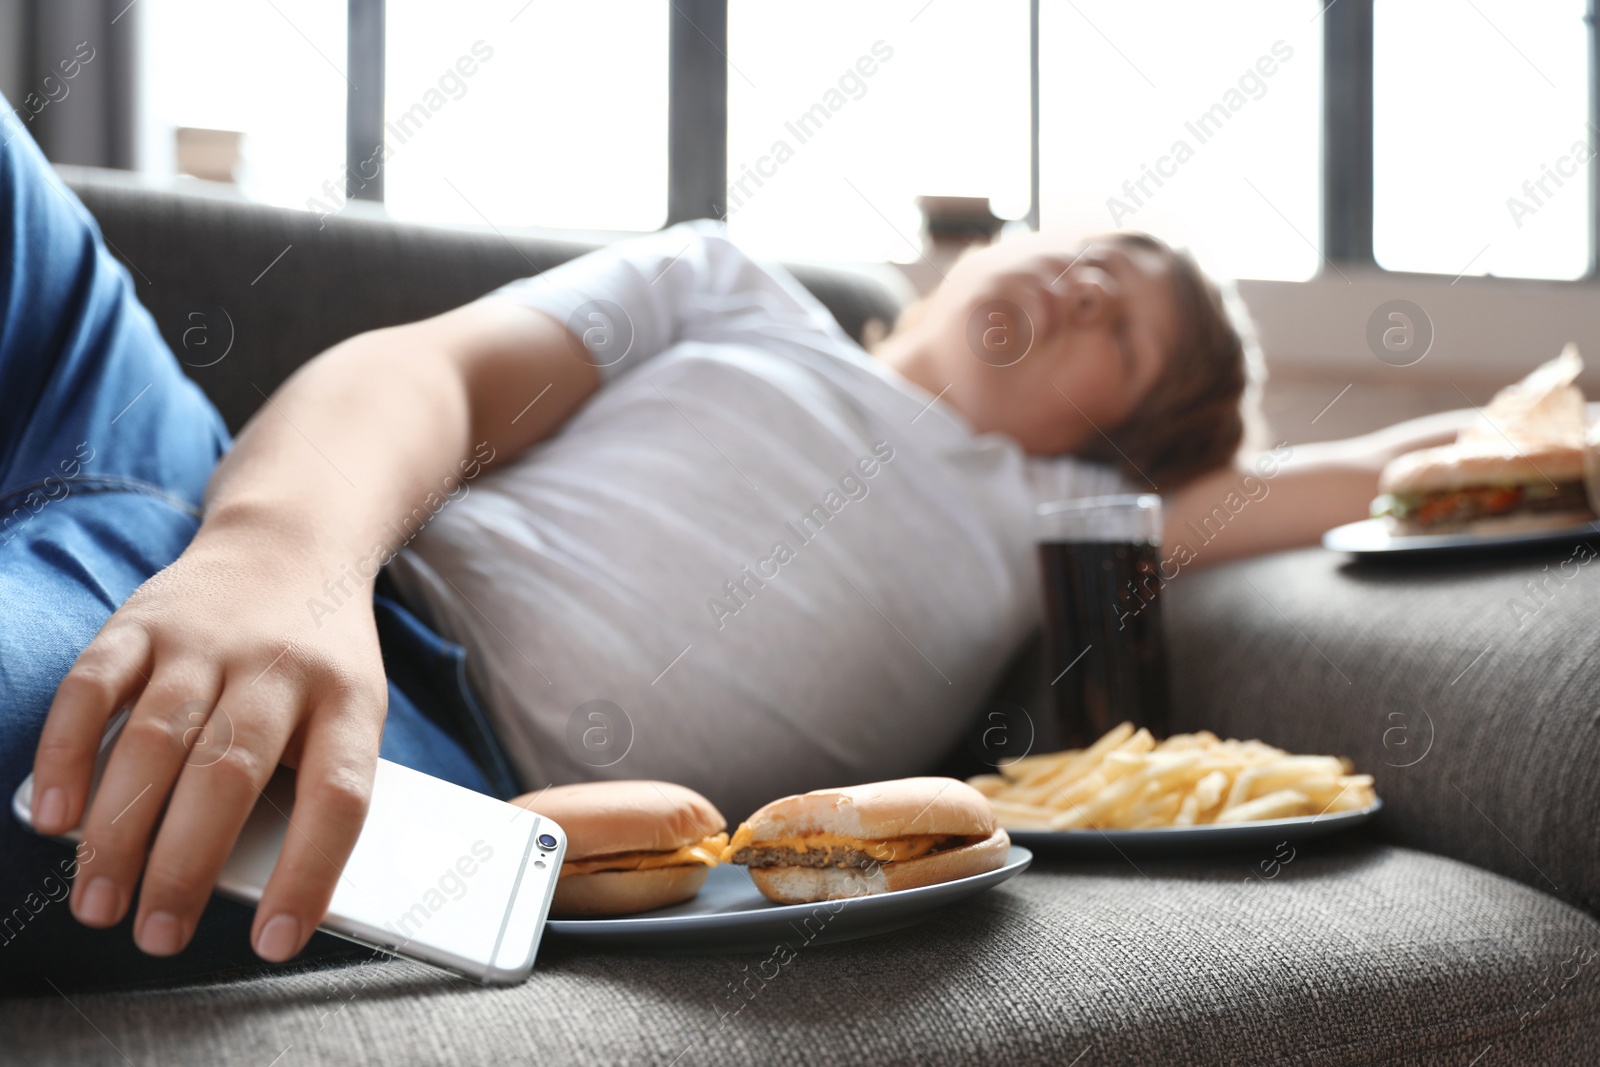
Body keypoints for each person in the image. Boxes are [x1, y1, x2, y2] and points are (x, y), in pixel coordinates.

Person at [0, 99, 1464, 989]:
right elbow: (425, 379)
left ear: (1132, 443)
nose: (1092, 275)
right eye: (1085, 246)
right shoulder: (731, 284)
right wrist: (275, 558)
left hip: (423, 734)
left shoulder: (1060, 522)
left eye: (1133, 322)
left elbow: (1388, 472)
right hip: (218, 483)